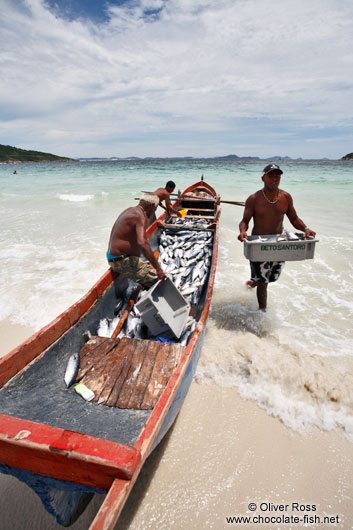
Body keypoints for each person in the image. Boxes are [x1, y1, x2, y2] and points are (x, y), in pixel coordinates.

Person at [238, 163, 316, 311]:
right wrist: (243, 231)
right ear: (263, 178)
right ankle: (262, 314)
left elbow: (294, 219)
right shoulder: (253, 199)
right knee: (263, 282)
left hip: (278, 243)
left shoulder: (285, 197)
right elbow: (244, 221)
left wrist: (305, 228)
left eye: (277, 175)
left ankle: (252, 282)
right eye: (270, 175)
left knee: (272, 277)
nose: (274, 178)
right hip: (258, 245)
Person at [107, 194, 166, 289]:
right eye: (155, 209)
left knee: (152, 273)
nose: (154, 211)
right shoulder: (139, 216)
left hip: (120, 256)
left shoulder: (130, 210)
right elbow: (142, 243)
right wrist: (158, 269)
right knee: (159, 280)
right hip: (120, 260)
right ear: (151, 206)